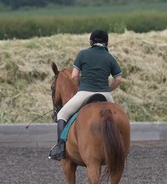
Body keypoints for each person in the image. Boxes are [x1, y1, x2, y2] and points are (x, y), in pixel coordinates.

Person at [48, 29, 122, 161]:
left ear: (91, 41)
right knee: (117, 119)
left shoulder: (83, 54)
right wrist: (108, 89)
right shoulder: (110, 57)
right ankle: (120, 146)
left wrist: (79, 87)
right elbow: (118, 79)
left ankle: (60, 148)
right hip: (105, 94)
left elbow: (75, 76)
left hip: (84, 92)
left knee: (62, 115)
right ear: (106, 43)